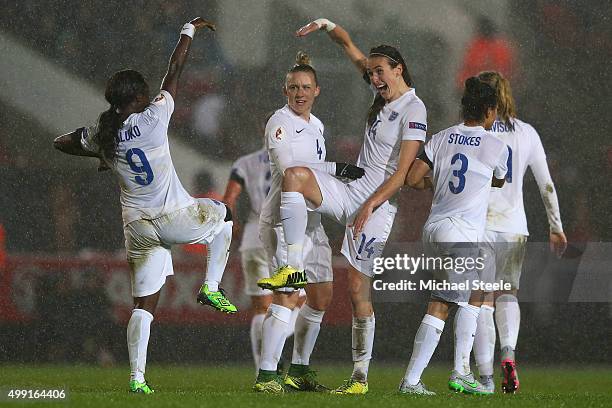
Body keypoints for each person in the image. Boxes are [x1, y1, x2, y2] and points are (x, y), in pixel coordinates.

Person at [53, 17, 237, 394]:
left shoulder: (104, 134)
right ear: (137, 97)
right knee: (226, 216)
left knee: (143, 305)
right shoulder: (154, 116)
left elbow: (62, 141)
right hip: (173, 216)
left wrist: (98, 154)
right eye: (144, 92)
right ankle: (211, 286)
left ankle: (137, 378)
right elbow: (175, 69)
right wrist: (189, 29)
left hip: (138, 226)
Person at [258, 19, 427, 394]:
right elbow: (350, 47)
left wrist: (370, 206)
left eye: (381, 73)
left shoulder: (414, 110)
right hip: (350, 192)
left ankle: (359, 377)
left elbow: (401, 174)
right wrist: (327, 25)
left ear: (398, 69)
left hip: (377, 204)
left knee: (356, 289)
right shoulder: (380, 95)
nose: (375, 79)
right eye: (373, 74)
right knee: (295, 177)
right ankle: (290, 266)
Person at [254, 51, 365, 393]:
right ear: (284, 91)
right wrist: (335, 168)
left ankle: (298, 370)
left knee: (320, 297)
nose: (299, 93)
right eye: (293, 88)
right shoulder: (279, 123)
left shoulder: (316, 126)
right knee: (288, 296)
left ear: (317, 90)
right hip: (282, 224)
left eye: (305, 87)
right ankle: (267, 375)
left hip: (311, 223)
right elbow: (292, 172)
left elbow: (311, 176)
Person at [400, 77, 508, 395]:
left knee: (468, 295)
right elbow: (500, 181)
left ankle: (434, 375)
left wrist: (437, 186)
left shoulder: (441, 138)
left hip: (434, 229)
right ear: (489, 111)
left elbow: (412, 177)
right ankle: (447, 373)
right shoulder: (495, 145)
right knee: (446, 304)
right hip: (460, 232)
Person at [472, 71, 567, 393]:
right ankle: (508, 354)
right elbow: (546, 184)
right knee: (507, 294)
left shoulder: (478, 132)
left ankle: (484, 376)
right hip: (514, 227)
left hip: (481, 224)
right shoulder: (527, 133)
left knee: (481, 300)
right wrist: (556, 227)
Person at [222, 124, 275, 375]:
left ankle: (261, 370)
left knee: (261, 309)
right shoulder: (295, 160)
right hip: (285, 236)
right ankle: (273, 356)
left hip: (254, 237)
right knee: (297, 303)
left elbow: (229, 198)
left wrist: (231, 225)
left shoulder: (245, 162)